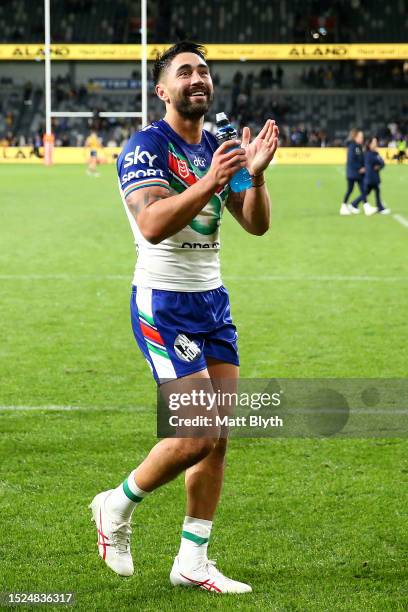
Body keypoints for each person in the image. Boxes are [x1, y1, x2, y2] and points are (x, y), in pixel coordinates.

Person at [89, 41, 279, 594]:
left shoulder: (221, 147)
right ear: (162, 89)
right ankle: (116, 505)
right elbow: (151, 223)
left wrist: (256, 177)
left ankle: (192, 560)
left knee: (218, 437)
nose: (198, 78)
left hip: (212, 301)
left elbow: (256, 224)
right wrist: (209, 180)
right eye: (185, 71)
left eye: (204, 71)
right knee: (197, 433)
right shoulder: (145, 148)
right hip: (164, 303)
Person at [339, 129, 376, 216]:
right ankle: (344, 206)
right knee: (350, 190)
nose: (362, 138)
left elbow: (361, 158)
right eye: (360, 137)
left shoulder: (358, 146)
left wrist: (365, 166)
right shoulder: (353, 146)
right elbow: (351, 160)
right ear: (355, 137)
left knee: (362, 190)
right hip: (353, 173)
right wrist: (360, 168)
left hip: (357, 173)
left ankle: (366, 207)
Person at [364, 137, 390, 215]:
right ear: (369, 144)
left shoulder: (375, 153)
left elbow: (382, 163)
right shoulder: (369, 154)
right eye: (374, 142)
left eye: (376, 142)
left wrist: (379, 165)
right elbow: (378, 162)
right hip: (371, 177)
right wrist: (379, 164)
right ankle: (380, 208)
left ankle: (354, 204)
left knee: (367, 192)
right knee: (369, 192)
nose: (376, 144)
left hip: (374, 176)